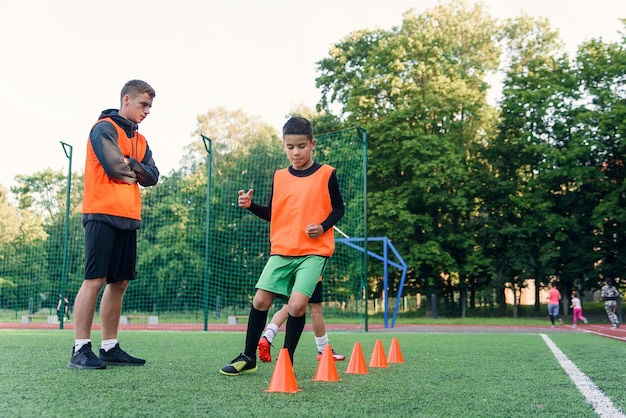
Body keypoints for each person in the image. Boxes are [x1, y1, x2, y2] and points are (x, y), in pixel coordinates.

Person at [220, 116, 345, 376]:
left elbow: (338, 209)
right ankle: (248, 356)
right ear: (284, 146)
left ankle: (286, 362)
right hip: (282, 250)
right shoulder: (279, 177)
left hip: (313, 251)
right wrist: (250, 206)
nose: (296, 152)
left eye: (301, 146)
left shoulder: (327, 174)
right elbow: (275, 214)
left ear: (312, 145)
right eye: (290, 147)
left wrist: (322, 226)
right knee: (260, 299)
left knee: (298, 305)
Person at [68, 80, 159, 370]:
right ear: (127, 99)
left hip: (128, 217)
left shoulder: (141, 140)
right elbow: (115, 168)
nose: (147, 111)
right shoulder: (103, 127)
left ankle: (109, 346)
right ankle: (80, 349)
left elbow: (153, 175)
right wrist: (134, 168)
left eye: (150, 106)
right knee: (94, 280)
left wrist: (133, 164)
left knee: (119, 282)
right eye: (143, 104)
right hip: (101, 213)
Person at [258, 279, 345, 363]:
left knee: (287, 307)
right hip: (311, 276)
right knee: (316, 311)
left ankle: (268, 335)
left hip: (292, 275)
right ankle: (323, 349)